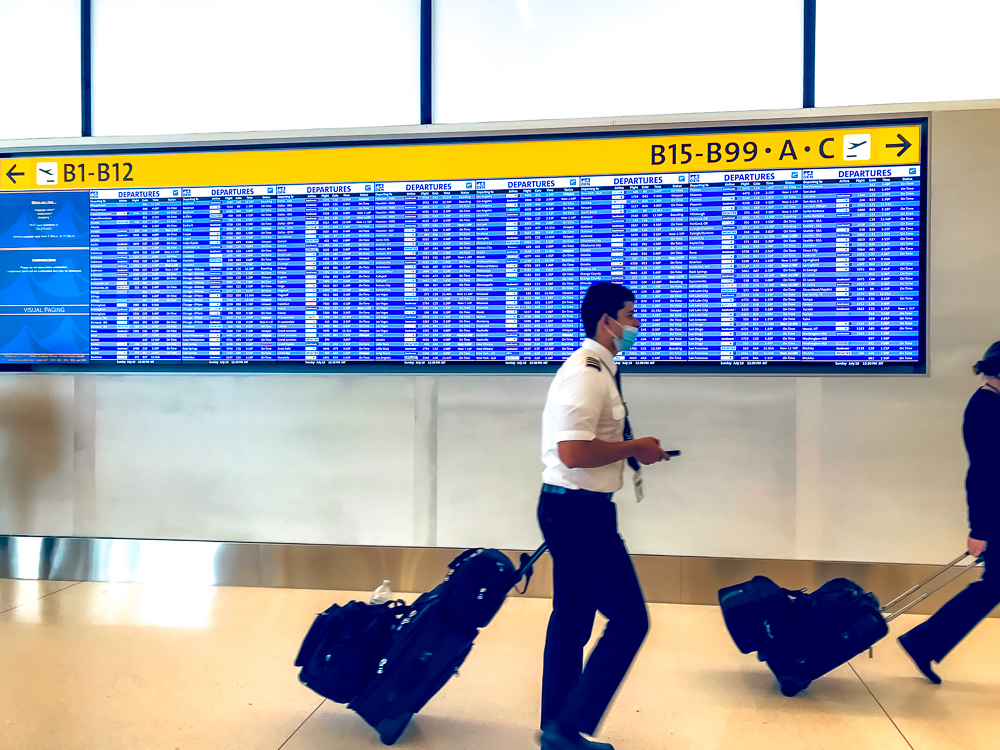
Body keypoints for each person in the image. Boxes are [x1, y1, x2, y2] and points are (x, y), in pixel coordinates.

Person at [537, 282, 672, 750]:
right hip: (576, 515)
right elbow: (572, 452)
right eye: (631, 316)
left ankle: (558, 728)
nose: (637, 324)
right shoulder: (588, 373)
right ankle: (566, 724)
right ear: (606, 322)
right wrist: (634, 447)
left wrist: (634, 451)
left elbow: (590, 444)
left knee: (571, 619)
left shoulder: (598, 369)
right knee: (630, 619)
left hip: (576, 510)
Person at [898, 340, 1000, 683]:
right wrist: (979, 529)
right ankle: (923, 641)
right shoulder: (986, 409)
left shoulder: (993, 402)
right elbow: (982, 474)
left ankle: (924, 642)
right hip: (995, 517)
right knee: (994, 586)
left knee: (994, 586)